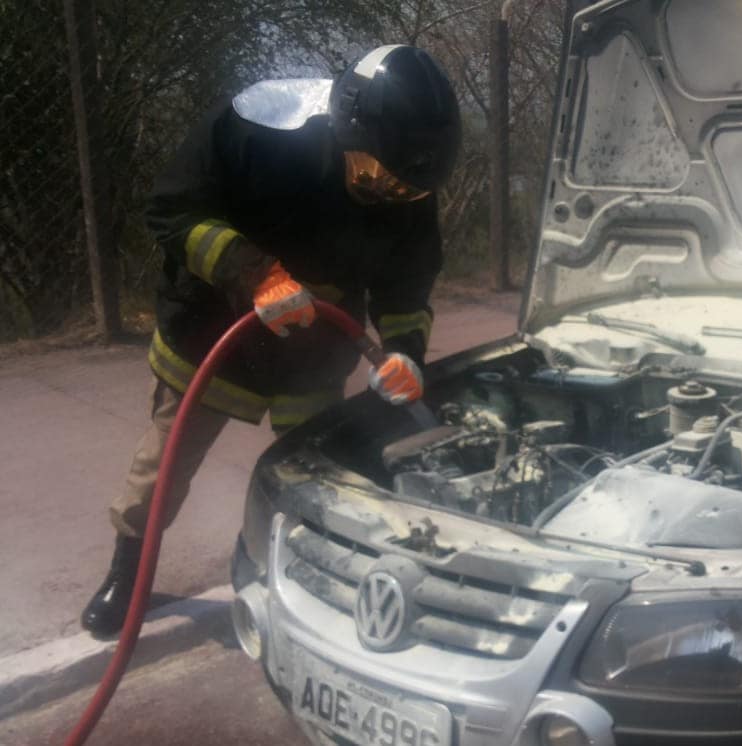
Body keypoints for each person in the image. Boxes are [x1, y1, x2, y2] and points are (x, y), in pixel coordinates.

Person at [80, 45, 462, 636]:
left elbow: (407, 283)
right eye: (371, 176)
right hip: (214, 326)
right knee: (164, 462)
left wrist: (406, 354)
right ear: (344, 127)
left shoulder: (404, 174)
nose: (384, 193)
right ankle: (127, 576)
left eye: (401, 190)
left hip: (312, 351)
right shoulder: (259, 126)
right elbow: (171, 212)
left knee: (312, 472)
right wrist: (254, 272)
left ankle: (277, 570)